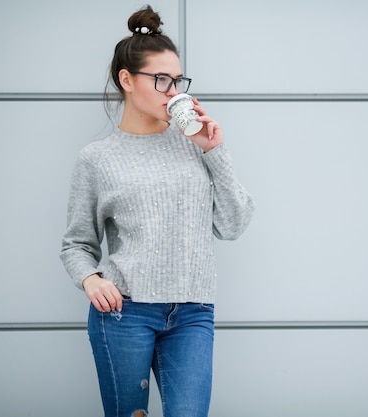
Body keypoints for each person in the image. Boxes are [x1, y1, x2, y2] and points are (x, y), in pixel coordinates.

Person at [59, 5, 254, 417]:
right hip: (124, 314)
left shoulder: (197, 144)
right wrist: (91, 281)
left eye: (178, 79)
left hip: (192, 314)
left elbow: (234, 224)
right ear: (126, 80)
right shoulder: (97, 158)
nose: (173, 90)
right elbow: (76, 244)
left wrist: (214, 150)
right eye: (161, 79)